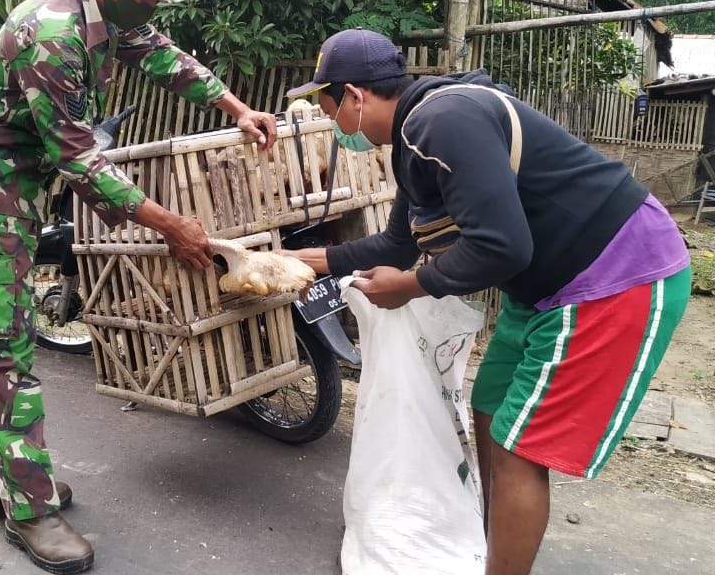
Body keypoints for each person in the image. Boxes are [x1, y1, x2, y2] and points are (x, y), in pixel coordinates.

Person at [0, 0, 278, 575]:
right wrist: (172, 225)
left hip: (17, 193)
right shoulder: (56, 31)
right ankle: (30, 511)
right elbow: (81, 161)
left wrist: (236, 107)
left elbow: (163, 56)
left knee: (1, 340)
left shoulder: (108, 14)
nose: (150, 8)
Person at [284, 28, 690, 575]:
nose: (333, 125)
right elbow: (399, 243)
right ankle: (487, 550)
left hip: (614, 273)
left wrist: (409, 286)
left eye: (329, 107)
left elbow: (501, 245)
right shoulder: (414, 139)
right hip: (545, 285)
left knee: (519, 448)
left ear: (353, 96)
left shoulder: (442, 121)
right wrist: (302, 263)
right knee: (492, 408)